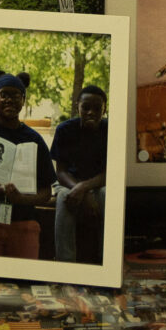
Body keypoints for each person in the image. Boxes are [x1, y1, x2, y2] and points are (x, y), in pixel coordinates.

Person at [0, 73, 56, 260]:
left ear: (23, 100)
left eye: (16, 96)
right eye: (3, 95)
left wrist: (21, 198)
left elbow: (46, 191)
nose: (9, 100)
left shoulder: (34, 139)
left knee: (24, 279)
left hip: (23, 222)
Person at [52, 86, 109, 264]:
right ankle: (65, 261)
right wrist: (79, 189)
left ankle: (106, 260)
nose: (91, 112)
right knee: (64, 198)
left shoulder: (111, 130)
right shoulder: (65, 130)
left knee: (107, 196)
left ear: (104, 109)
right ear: (78, 107)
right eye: (86, 107)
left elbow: (110, 172)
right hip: (68, 183)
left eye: (97, 108)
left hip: (100, 184)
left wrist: (85, 188)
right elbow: (60, 171)